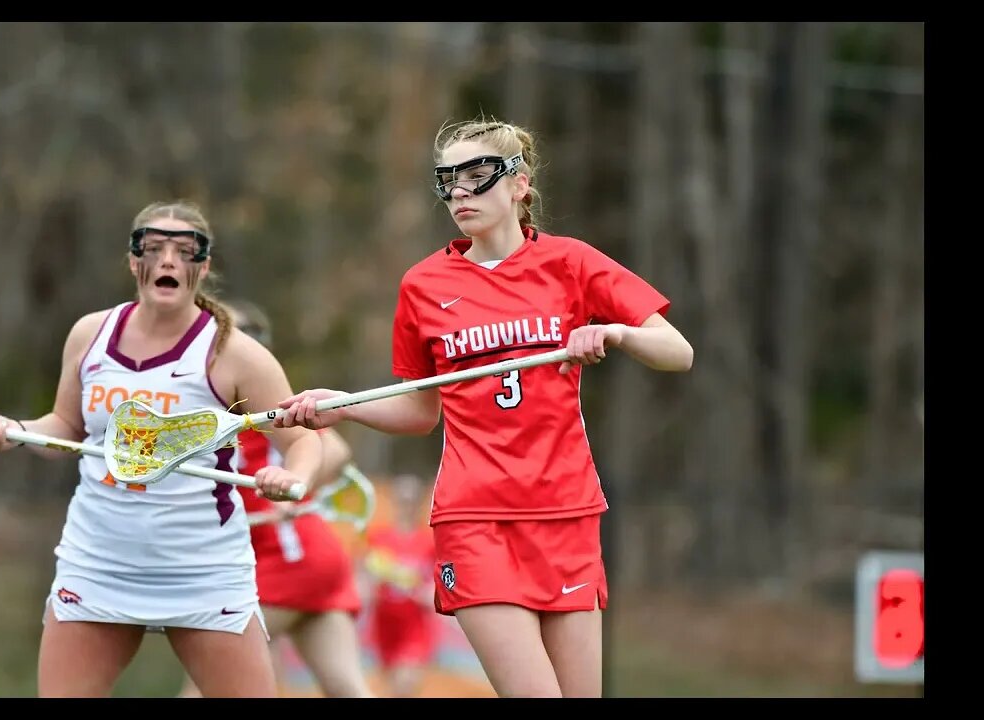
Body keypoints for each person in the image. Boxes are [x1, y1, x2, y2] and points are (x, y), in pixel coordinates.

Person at [275, 118, 695, 698]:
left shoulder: (572, 263)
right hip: (476, 519)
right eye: (447, 181)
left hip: (567, 511)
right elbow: (423, 412)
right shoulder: (423, 284)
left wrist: (616, 335)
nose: (459, 194)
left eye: (476, 178)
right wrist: (344, 408)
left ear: (519, 184)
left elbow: (679, 352)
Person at [0, 200, 319, 698]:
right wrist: (14, 431)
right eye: (153, 248)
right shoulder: (90, 335)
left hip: (201, 569)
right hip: (99, 561)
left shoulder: (232, 353)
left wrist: (291, 480)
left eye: (184, 250)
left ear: (203, 266)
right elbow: (66, 427)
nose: (168, 260)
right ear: (135, 262)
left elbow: (303, 439)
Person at [179, 298, 375, 699]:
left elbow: (334, 450)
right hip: (308, 557)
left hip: (287, 558)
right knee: (348, 688)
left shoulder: (249, 406)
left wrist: (293, 488)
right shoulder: (206, 405)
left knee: (206, 688)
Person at [362, 474, 439, 698]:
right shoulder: (378, 537)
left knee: (405, 684)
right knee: (391, 687)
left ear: (419, 504)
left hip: (415, 625)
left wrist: (431, 595)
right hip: (384, 624)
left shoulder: (429, 540)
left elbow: (443, 579)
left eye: (412, 501)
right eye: (403, 500)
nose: (407, 506)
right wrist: (369, 588)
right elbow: (364, 575)